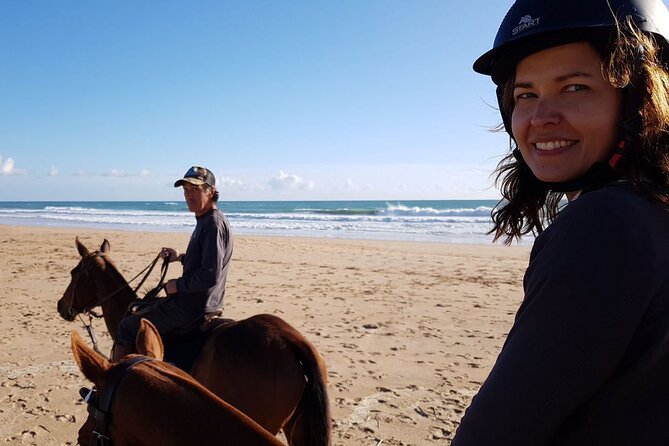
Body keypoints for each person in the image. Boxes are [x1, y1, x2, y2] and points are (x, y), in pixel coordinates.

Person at [452, 0, 669, 444]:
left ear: (640, 99)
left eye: (574, 88)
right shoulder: (653, 211)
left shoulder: (606, 226)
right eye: (526, 95)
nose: (540, 117)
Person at [110, 166, 234, 362]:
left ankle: (112, 385)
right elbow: (204, 261)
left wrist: (177, 285)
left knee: (127, 327)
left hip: (193, 305)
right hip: (197, 301)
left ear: (210, 191)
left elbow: (210, 275)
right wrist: (180, 257)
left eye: (195, 190)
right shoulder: (206, 221)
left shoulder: (212, 224)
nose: (188, 195)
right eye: (186, 190)